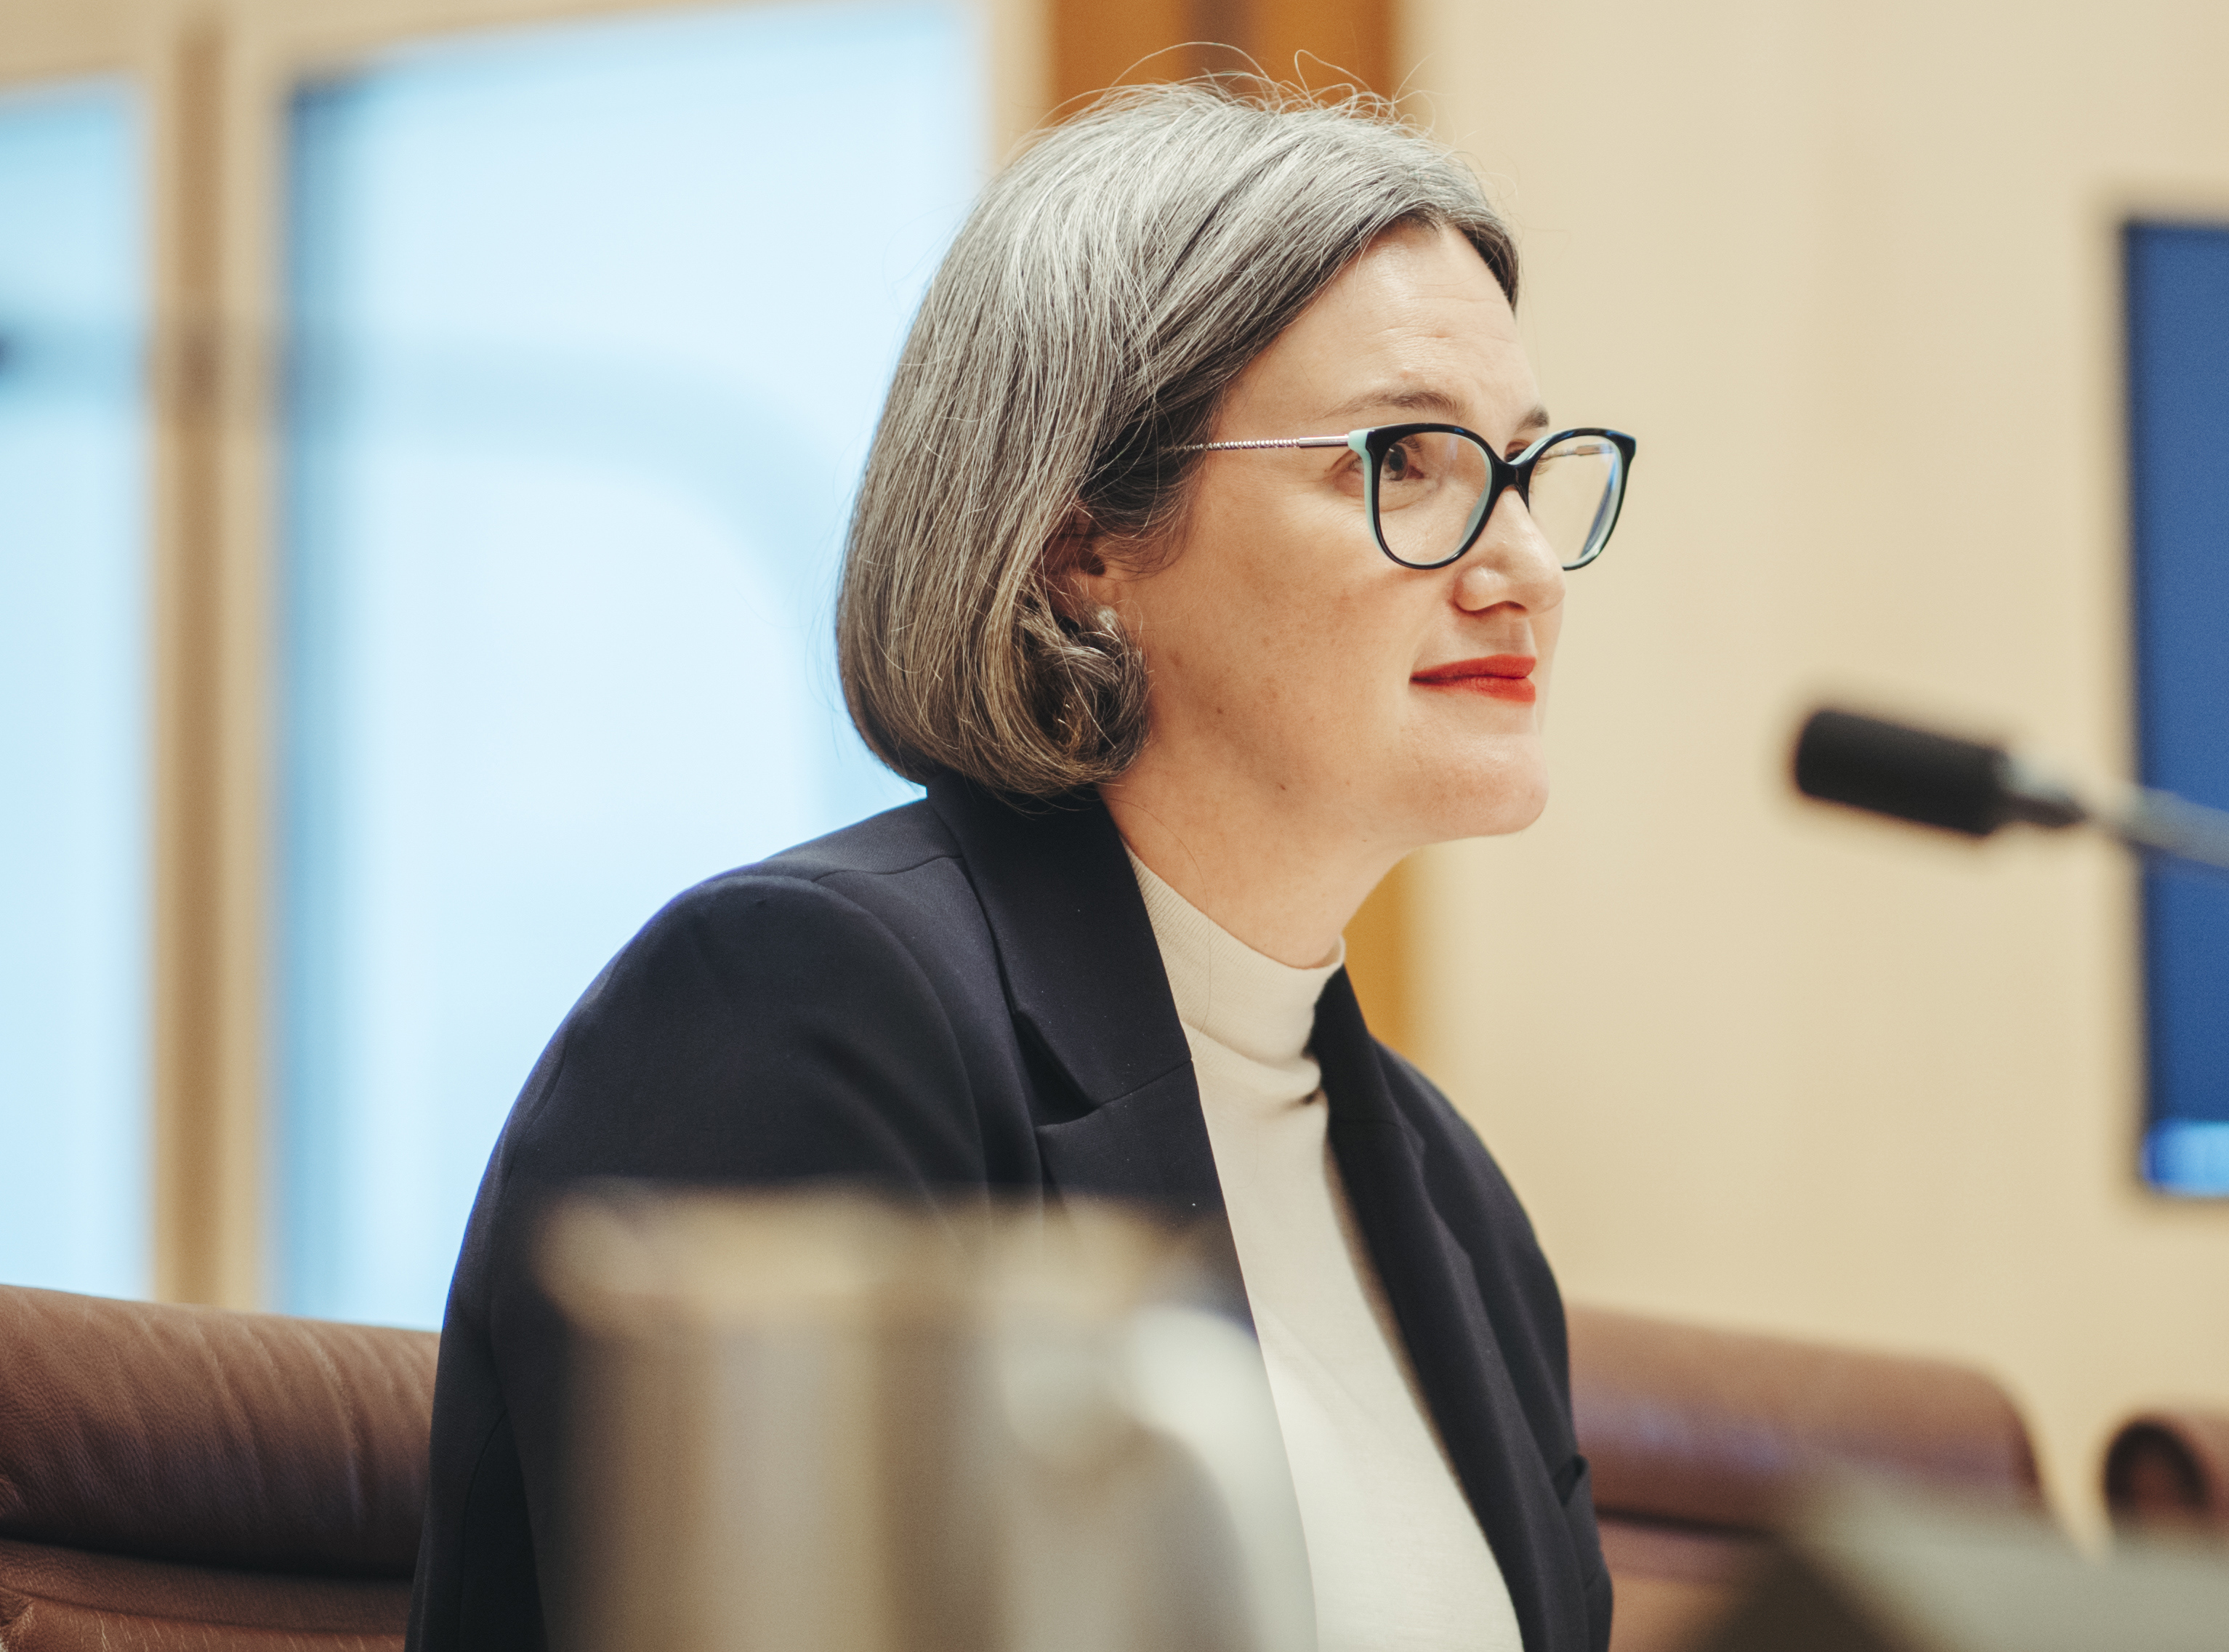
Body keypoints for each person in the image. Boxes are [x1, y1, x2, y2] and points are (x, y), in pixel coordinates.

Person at [406, 79, 1638, 1652]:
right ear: (1083, 545)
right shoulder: (807, 1012)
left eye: (1529, 470)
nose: (1520, 564)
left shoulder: (1457, 1201)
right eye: (1406, 462)